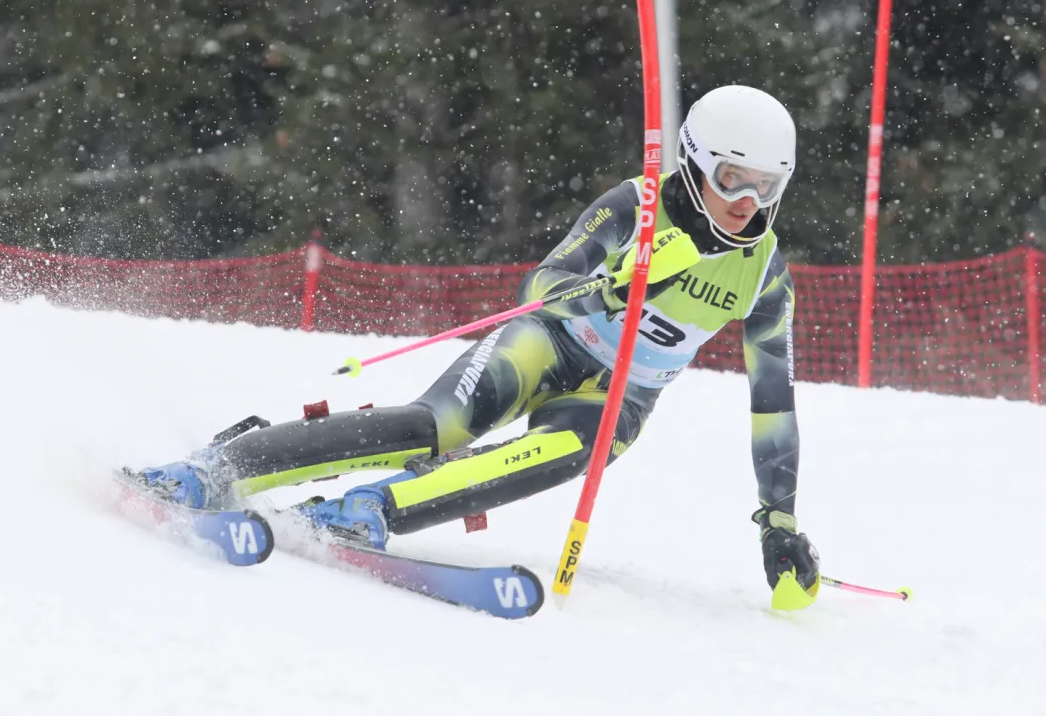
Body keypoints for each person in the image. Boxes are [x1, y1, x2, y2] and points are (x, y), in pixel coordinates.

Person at [134, 84, 820, 598]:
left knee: (561, 451)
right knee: (433, 426)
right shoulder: (637, 205)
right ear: (695, 164)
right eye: (734, 180)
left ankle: (371, 509)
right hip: (549, 341)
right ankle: (219, 466)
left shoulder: (763, 273)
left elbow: (772, 401)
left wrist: (779, 521)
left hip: (617, 396)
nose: (749, 204)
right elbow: (543, 283)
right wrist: (611, 286)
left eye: (768, 187)